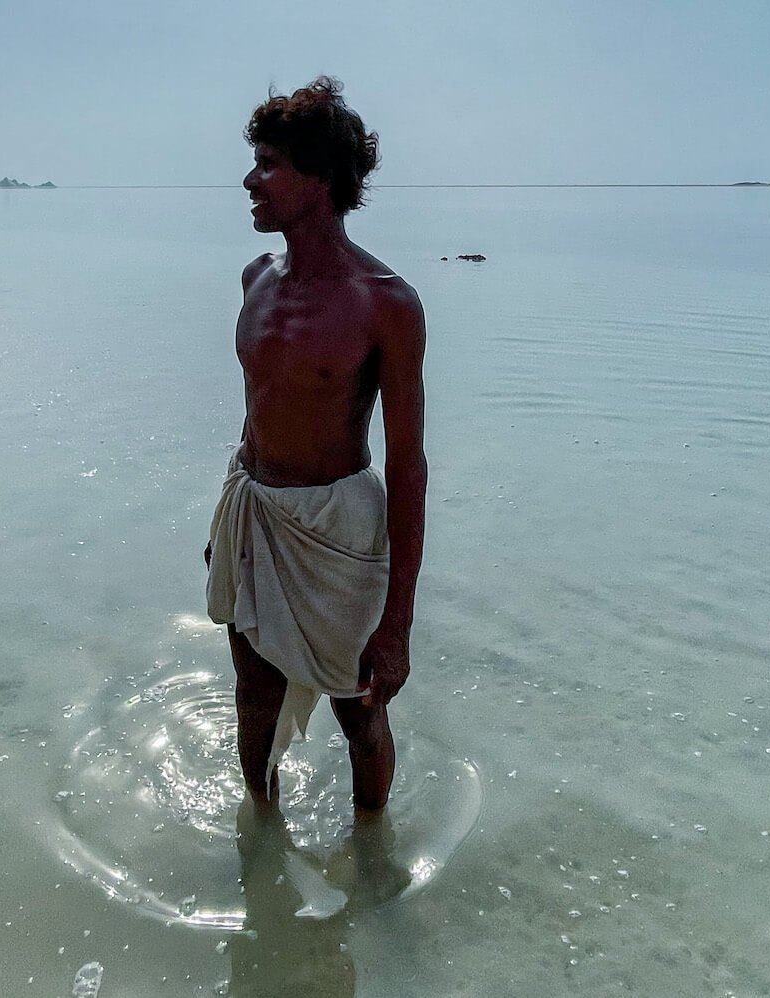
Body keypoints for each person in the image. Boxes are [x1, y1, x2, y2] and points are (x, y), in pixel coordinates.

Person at [206, 77, 427, 814]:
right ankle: (260, 845)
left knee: (359, 710)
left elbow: (409, 464)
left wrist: (397, 622)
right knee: (252, 699)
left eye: (268, 163)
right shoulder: (255, 278)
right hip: (256, 508)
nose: (250, 179)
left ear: (319, 179)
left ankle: (373, 860)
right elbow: (258, 407)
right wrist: (227, 519)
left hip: (339, 530)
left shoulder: (384, 302)